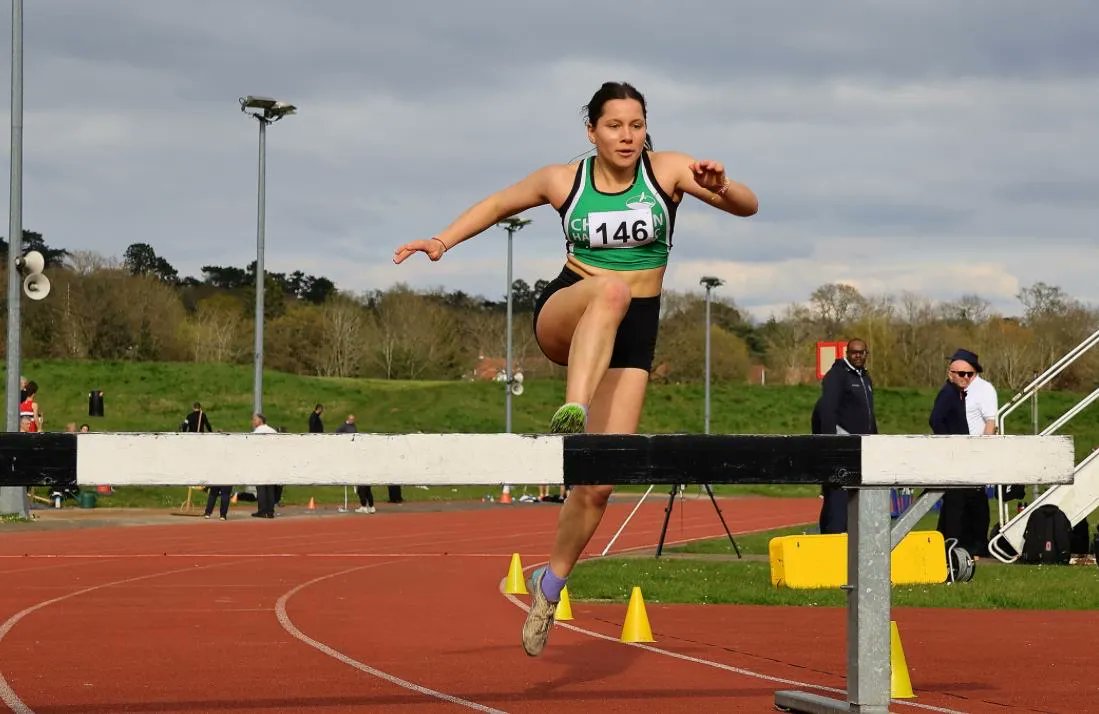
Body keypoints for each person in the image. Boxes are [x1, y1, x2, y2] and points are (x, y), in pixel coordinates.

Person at [393, 81, 757, 657]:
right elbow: (497, 205)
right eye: (615, 126)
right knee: (609, 289)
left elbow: (749, 207)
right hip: (569, 312)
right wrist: (442, 241)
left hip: (634, 331)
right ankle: (575, 410)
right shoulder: (565, 180)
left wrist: (723, 186)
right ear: (592, 130)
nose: (627, 136)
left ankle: (550, 585)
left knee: (600, 483)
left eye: (636, 125)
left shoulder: (668, 171)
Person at [934, 348, 996, 557]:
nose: (966, 378)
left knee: (971, 501)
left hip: (972, 454)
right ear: (950, 373)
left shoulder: (975, 391)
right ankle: (953, 545)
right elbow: (936, 420)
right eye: (961, 374)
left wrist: (983, 451)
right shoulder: (950, 393)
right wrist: (949, 443)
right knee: (956, 502)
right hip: (956, 455)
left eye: (970, 374)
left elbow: (990, 422)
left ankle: (969, 544)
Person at [812, 339, 878, 534]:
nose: (858, 356)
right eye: (854, 353)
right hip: (842, 447)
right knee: (837, 494)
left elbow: (869, 415)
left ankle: (847, 536)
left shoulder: (865, 378)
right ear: (847, 353)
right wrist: (830, 443)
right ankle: (833, 536)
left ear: (867, 354)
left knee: (855, 497)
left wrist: (875, 440)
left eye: (862, 352)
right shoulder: (837, 376)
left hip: (862, 448)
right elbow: (827, 410)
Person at [336, 414, 375, 514]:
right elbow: (337, 433)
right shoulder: (344, 426)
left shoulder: (359, 451)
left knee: (363, 488)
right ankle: (370, 506)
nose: (353, 421)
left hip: (362, 471)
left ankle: (366, 506)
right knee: (366, 487)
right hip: (366, 469)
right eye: (351, 419)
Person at [251, 413, 279, 519]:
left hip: (260, 462)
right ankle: (270, 511)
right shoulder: (273, 431)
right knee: (270, 488)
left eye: (255, 420)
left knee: (261, 487)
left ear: (260, 420)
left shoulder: (257, 432)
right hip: (272, 462)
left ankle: (262, 510)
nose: (253, 422)